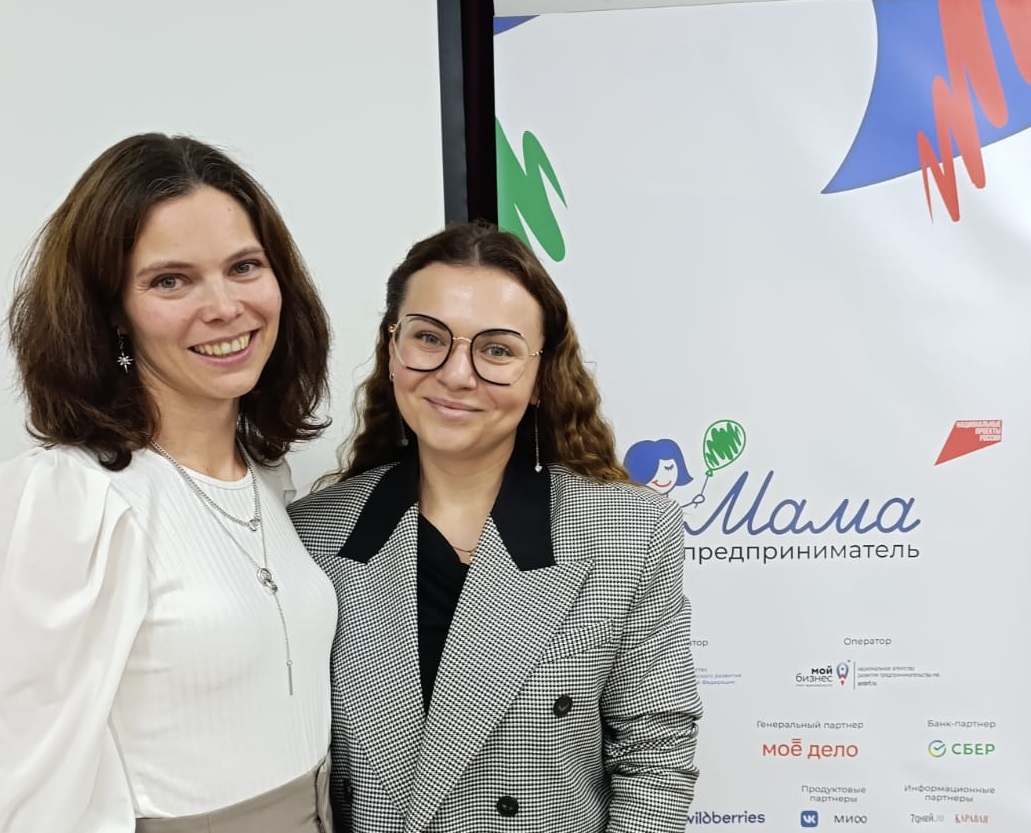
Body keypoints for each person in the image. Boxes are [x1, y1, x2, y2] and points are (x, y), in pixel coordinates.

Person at [288, 222, 702, 832]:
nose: (457, 374)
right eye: (429, 338)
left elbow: (655, 753)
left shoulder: (629, 528)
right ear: (392, 349)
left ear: (541, 378)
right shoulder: (311, 533)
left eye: (498, 350)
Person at [0, 133, 336, 832]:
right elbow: (29, 783)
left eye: (244, 266)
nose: (224, 306)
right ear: (111, 310)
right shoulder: (76, 497)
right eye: (170, 281)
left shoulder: (266, 477)